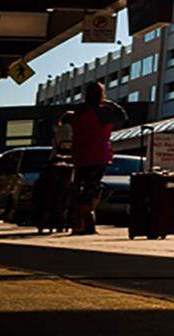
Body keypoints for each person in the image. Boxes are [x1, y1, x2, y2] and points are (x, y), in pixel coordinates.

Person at [70, 82, 127, 235]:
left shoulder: (78, 112)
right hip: (97, 154)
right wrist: (112, 105)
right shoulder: (102, 112)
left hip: (79, 153)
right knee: (91, 189)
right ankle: (81, 222)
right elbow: (122, 118)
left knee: (81, 188)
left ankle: (84, 222)